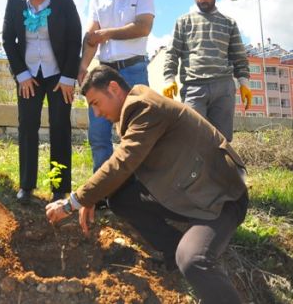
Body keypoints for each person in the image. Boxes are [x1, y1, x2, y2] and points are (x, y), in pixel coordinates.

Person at [46, 65, 248, 304]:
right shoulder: (137, 107)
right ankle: (174, 253)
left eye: (96, 103)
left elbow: (122, 162)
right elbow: (125, 166)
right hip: (190, 191)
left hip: (220, 197)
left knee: (194, 259)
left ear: (113, 88)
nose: (97, 113)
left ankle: (187, 259)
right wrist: (92, 197)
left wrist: (73, 202)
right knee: (120, 198)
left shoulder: (145, 108)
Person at [2, 0, 82, 204]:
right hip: (29, 75)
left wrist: (69, 76)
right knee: (27, 126)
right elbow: (8, 40)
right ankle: (26, 186)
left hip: (58, 74)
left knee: (60, 127)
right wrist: (21, 74)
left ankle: (59, 188)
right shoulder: (15, 1)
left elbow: (74, 37)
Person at [78, 0, 155, 172]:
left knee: (137, 132)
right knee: (98, 134)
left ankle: (139, 191)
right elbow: (92, 36)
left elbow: (143, 27)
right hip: (104, 72)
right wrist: (83, 66)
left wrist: (108, 33)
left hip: (134, 70)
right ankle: (103, 192)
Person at [163, 0, 252, 142]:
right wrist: (169, 79)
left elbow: (239, 57)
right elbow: (172, 52)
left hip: (223, 87)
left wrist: (244, 83)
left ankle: (222, 170)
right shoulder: (184, 22)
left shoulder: (229, 23)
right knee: (192, 138)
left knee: (222, 141)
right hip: (194, 87)